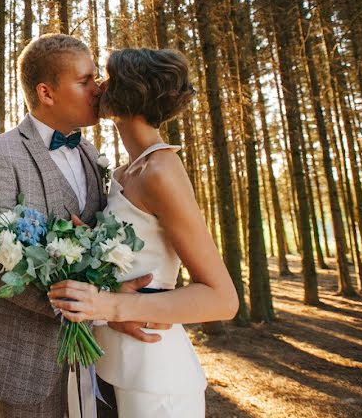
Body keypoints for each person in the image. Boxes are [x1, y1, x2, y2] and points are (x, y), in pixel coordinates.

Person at [0, 34, 163, 418]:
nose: (98, 89)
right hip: (25, 362)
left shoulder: (90, 153)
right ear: (47, 93)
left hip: (103, 359)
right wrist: (97, 308)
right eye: (85, 81)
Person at [48, 48, 239, 418]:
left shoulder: (162, 171)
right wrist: (84, 244)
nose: (99, 87)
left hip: (155, 376)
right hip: (105, 365)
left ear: (129, 93)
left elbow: (222, 298)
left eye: (107, 77)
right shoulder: (123, 173)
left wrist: (112, 305)